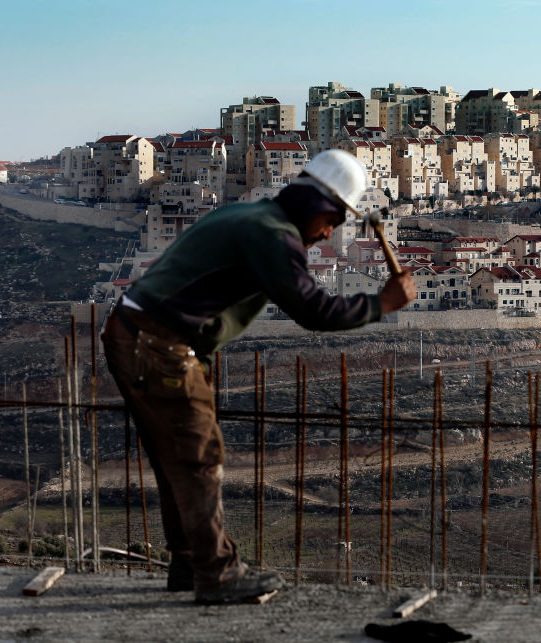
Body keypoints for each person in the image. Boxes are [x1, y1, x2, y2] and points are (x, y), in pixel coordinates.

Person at [102, 150, 416, 604]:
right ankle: (218, 574)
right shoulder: (273, 235)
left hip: (135, 335)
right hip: (159, 345)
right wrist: (381, 304)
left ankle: (192, 564)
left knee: (176, 457)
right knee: (198, 456)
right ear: (317, 204)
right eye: (332, 219)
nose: (329, 231)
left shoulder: (249, 216)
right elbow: (313, 309)